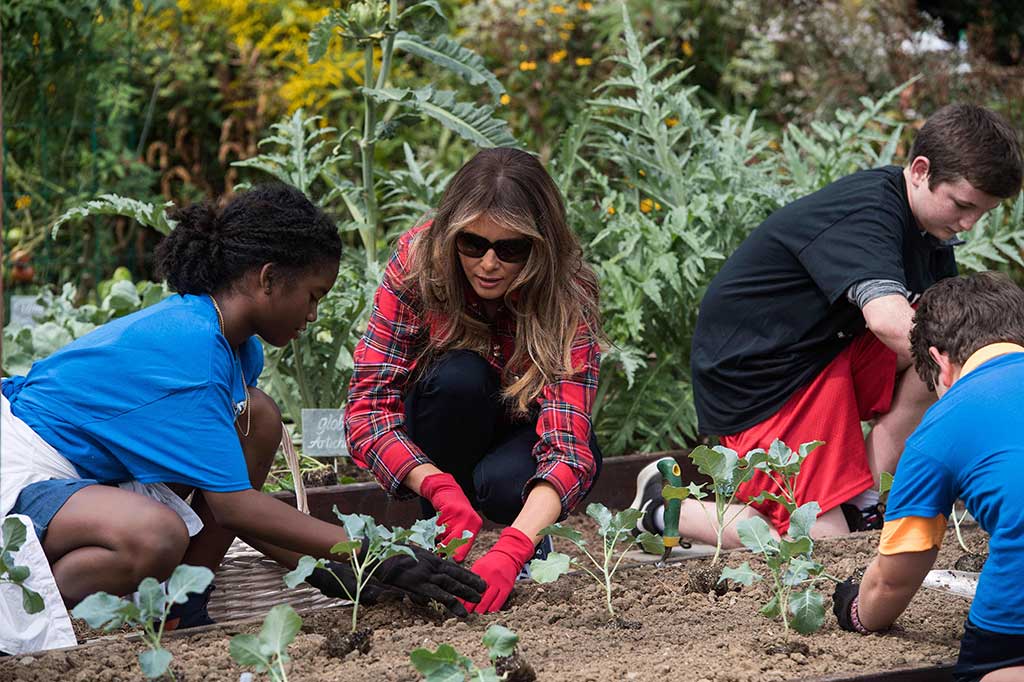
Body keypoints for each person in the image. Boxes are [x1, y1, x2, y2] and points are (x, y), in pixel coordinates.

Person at [0, 184, 483, 654]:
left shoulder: (237, 347)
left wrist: (334, 571)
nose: (313, 314)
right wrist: (373, 552)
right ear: (268, 279)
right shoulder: (194, 353)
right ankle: (30, 605)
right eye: (313, 296)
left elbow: (234, 506)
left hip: (88, 479)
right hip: (28, 467)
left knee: (260, 417)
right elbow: (235, 507)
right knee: (154, 536)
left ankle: (182, 605)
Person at [630, 104, 1023, 548]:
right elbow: (886, 318)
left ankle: (864, 500)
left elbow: (952, 331)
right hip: (761, 381)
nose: (969, 223)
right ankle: (663, 507)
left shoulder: (933, 230)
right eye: (963, 205)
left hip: (819, 354)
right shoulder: (868, 211)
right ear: (919, 170)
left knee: (940, 354)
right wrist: (983, 387)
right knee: (827, 543)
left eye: (982, 213)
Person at [345, 147, 604, 613]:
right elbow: (366, 409)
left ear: (540, 246)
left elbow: (568, 446)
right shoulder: (417, 264)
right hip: (446, 426)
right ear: (451, 234)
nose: (488, 264)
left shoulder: (568, 294)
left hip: (523, 438)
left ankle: (523, 539)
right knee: (457, 378)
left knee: (506, 482)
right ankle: (445, 531)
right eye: (472, 244)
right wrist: (436, 487)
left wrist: (512, 548)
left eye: (510, 249)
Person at [832, 271, 1024, 682]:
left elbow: (892, 582)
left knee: (988, 672)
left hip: (1015, 618)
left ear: (940, 362)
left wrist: (855, 610)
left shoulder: (941, 426)